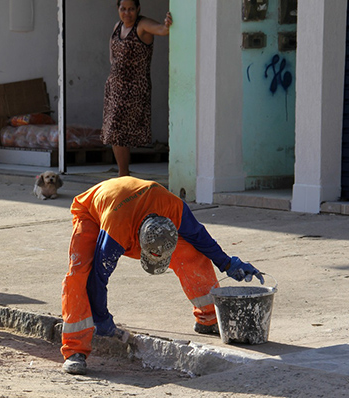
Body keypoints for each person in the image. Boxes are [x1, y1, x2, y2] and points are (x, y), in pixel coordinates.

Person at [60, 176, 264, 375]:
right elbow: (98, 277)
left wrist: (228, 263)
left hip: (135, 206)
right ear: (138, 243)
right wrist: (102, 317)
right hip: (95, 212)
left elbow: (201, 239)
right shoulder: (116, 232)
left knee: (193, 254)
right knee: (79, 275)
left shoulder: (174, 208)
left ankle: (209, 318)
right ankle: (75, 350)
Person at [102, 0, 172, 177]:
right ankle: (123, 174)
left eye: (131, 9)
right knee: (115, 132)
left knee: (119, 131)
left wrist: (167, 23)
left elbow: (163, 30)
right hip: (115, 87)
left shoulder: (143, 25)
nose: (127, 13)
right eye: (123, 9)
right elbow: (113, 55)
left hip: (134, 89)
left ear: (138, 9)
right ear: (117, 9)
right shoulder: (117, 26)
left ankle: (123, 175)